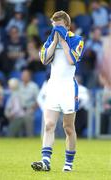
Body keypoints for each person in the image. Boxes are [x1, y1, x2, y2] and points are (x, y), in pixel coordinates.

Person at [31, 11, 84, 172]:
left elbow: (71, 60)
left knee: (68, 127)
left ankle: (68, 163)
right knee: (49, 124)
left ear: (67, 26)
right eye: (54, 26)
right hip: (53, 86)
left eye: (60, 26)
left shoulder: (77, 39)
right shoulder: (49, 39)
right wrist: (54, 41)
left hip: (68, 87)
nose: (56, 29)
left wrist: (64, 40)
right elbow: (44, 60)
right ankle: (45, 162)